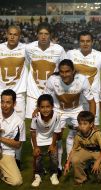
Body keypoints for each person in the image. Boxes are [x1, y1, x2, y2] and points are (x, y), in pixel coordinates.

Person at [44, 59, 96, 176]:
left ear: (73, 71)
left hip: (76, 110)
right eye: (62, 72)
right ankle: (58, 166)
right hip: (58, 110)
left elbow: (92, 102)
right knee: (57, 136)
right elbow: (45, 98)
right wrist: (39, 110)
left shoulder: (82, 80)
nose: (64, 74)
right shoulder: (53, 80)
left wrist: (91, 121)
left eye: (67, 71)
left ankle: (71, 161)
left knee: (80, 135)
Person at [67, 31, 101, 126]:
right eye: (82, 41)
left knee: (92, 127)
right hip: (75, 97)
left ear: (92, 42)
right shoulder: (71, 54)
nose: (85, 43)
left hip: (93, 98)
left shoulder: (100, 56)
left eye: (88, 41)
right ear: (79, 42)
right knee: (73, 128)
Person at [0, 25, 28, 169]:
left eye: (15, 34)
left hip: (19, 95)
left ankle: (16, 159)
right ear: (6, 34)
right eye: (10, 34)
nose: (12, 37)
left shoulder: (26, 49)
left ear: (19, 36)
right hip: (1, 93)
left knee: (18, 127)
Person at [25, 22, 66, 119]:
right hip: (33, 91)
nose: (43, 36)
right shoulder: (29, 48)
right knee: (34, 121)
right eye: (41, 33)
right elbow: (27, 63)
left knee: (52, 120)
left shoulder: (59, 49)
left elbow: (65, 67)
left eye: (46, 34)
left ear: (50, 35)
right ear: (37, 34)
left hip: (52, 91)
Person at [64, 111, 101, 185]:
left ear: (91, 124)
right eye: (80, 124)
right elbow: (73, 150)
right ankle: (81, 179)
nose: (82, 126)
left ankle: (100, 176)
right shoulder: (78, 135)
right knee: (75, 160)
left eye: (85, 124)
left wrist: (97, 162)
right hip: (86, 151)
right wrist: (67, 163)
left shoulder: (97, 133)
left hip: (98, 152)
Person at [30, 94, 61, 187]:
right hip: (38, 139)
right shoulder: (36, 116)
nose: (45, 109)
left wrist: (53, 144)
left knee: (54, 157)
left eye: (48, 106)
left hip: (51, 139)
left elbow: (56, 132)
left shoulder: (57, 116)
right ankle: (38, 175)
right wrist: (35, 147)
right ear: (38, 108)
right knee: (37, 159)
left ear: (52, 106)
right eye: (42, 107)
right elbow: (32, 132)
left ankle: (53, 174)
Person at [0, 89, 25, 186]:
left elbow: (18, 144)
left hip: (6, 153)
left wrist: (1, 138)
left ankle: (2, 173)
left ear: (14, 104)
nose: (4, 105)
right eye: (2, 102)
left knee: (17, 181)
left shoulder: (19, 122)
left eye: (8, 102)